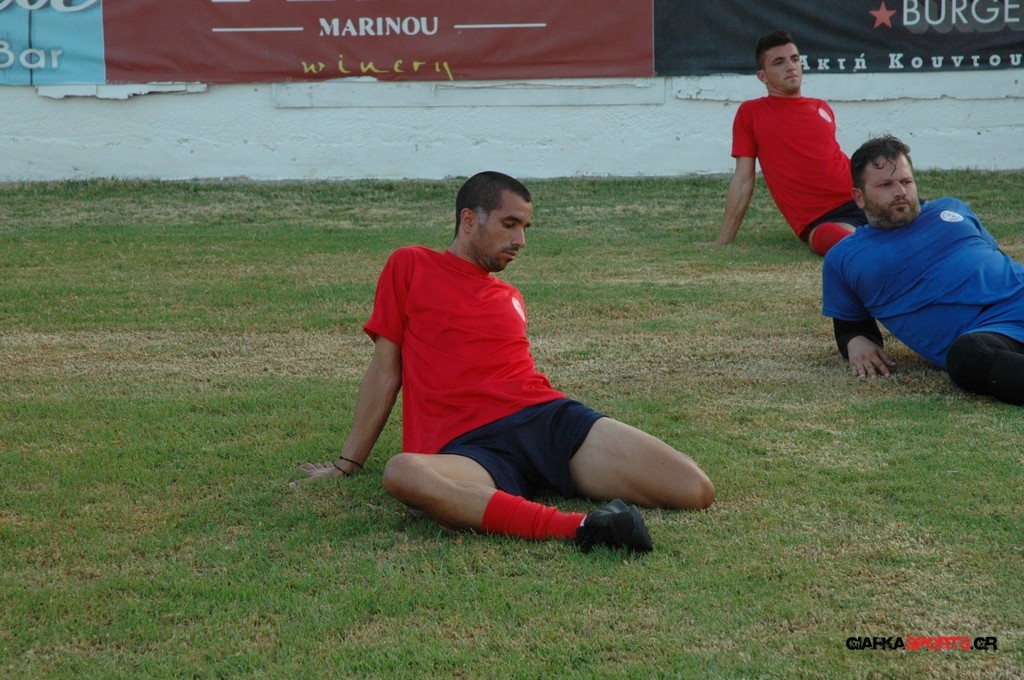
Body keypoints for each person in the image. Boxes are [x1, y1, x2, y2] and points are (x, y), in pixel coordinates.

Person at [297, 171, 715, 552]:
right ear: (469, 220)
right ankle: (581, 527)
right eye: (509, 224)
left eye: (525, 228)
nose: (520, 241)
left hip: (547, 421)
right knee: (402, 473)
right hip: (470, 448)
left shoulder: (509, 296)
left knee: (694, 488)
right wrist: (347, 465)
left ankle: (546, 486)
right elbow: (384, 371)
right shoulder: (411, 265)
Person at [822, 135, 1024, 405]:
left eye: (906, 182)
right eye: (885, 185)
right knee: (968, 358)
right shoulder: (844, 258)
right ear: (859, 197)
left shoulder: (951, 208)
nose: (900, 191)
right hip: (987, 334)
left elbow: (995, 258)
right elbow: (849, 326)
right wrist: (855, 341)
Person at [700, 29, 865, 256]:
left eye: (795, 59)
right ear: (763, 76)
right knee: (833, 241)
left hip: (864, 196)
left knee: (914, 211)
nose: (790, 66)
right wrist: (723, 239)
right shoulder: (751, 113)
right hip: (825, 219)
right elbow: (743, 179)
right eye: (779, 62)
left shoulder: (821, 107)